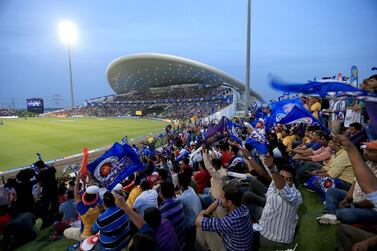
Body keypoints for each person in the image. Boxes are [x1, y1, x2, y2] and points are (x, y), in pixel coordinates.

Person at [336, 136, 377, 250]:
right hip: (355, 200)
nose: (365, 152)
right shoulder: (367, 163)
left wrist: (356, 204)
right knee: (332, 192)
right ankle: (330, 214)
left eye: (370, 150)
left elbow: (371, 192)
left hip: (369, 209)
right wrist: (347, 198)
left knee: (342, 213)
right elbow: (357, 183)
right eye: (365, 148)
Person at [258, 156, 302, 248]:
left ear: (293, 182)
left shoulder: (296, 196)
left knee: (245, 235)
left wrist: (273, 170)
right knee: (248, 195)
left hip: (275, 239)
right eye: (282, 177)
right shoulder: (274, 183)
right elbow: (264, 174)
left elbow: (284, 190)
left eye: (288, 179)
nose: (285, 181)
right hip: (265, 220)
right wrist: (249, 157)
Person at [195, 184, 253, 251]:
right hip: (240, 245)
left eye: (222, 197)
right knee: (219, 208)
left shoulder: (230, 221)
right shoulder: (243, 208)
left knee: (201, 229)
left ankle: (203, 248)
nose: (220, 198)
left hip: (230, 248)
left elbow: (198, 222)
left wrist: (202, 212)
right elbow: (218, 202)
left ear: (229, 202)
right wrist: (207, 211)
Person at [64, 174, 102, 241]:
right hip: (99, 230)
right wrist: (88, 175)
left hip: (87, 235)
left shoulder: (82, 208)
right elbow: (92, 187)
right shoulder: (98, 202)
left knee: (66, 231)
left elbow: (75, 194)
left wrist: (77, 179)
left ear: (83, 198)